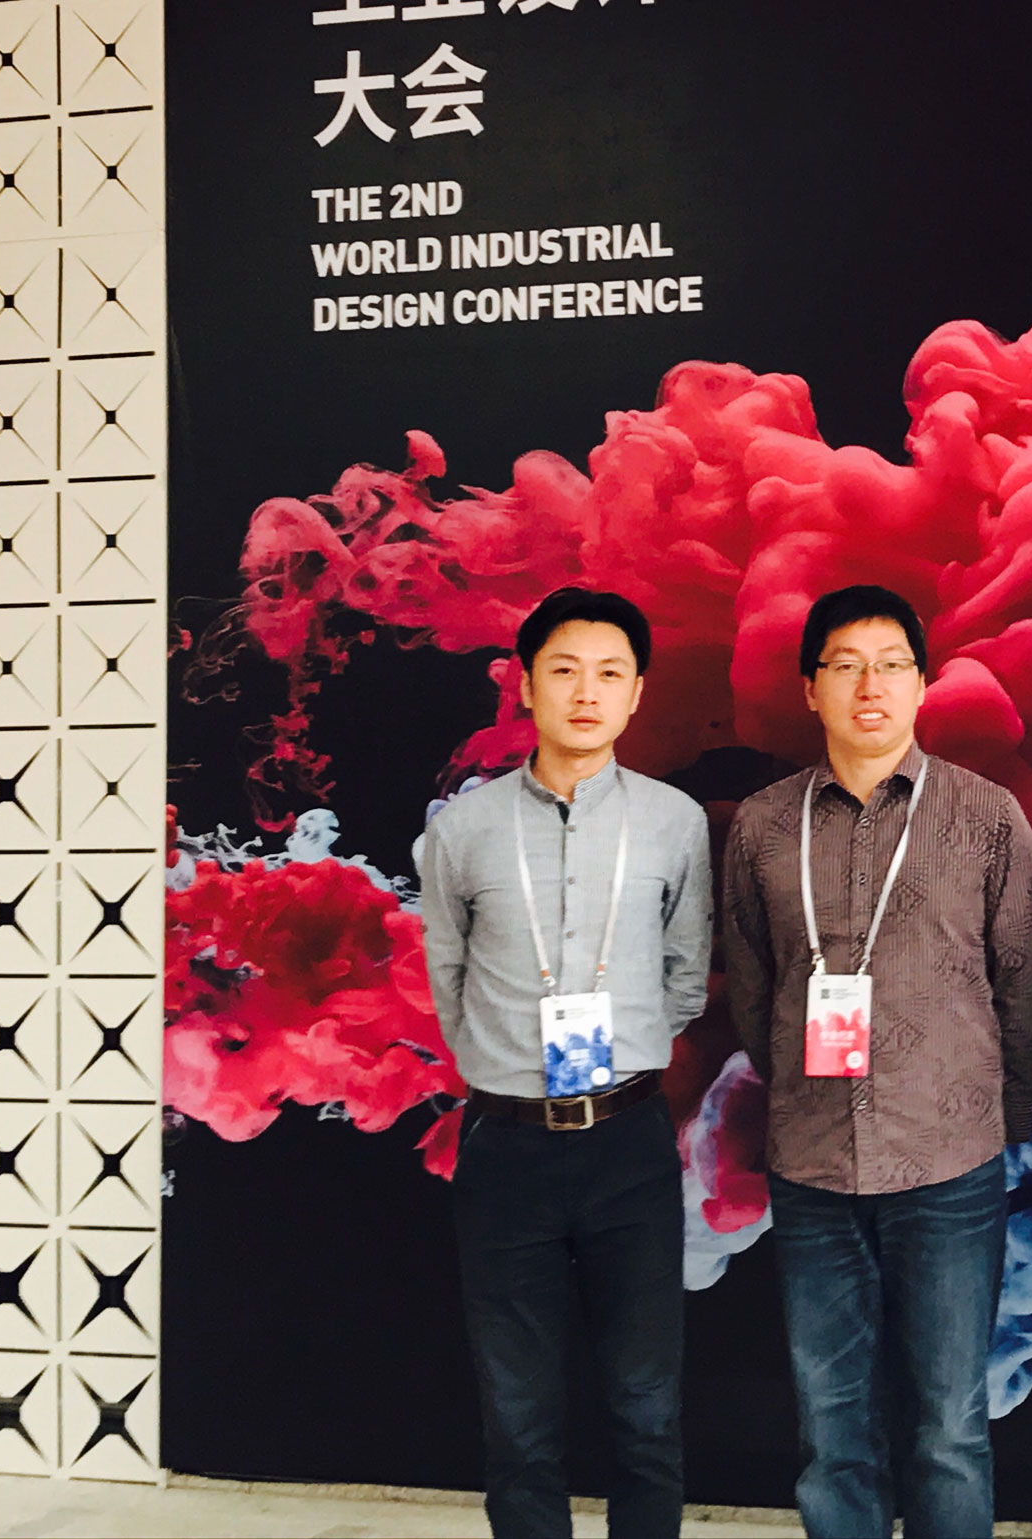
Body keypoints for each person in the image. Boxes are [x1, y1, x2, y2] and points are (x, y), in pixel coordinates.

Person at [720, 584, 1032, 1539]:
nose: (871, 686)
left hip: (950, 1169)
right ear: (811, 686)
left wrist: (995, 1124)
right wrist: (799, 1096)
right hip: (814, 1170)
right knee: (833, 1431)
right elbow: (753, 985)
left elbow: (1025, 987)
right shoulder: (763, 826)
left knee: (949, 1428)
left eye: (892, 665)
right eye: (847, 666)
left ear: (922, 682)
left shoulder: (985, 817)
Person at [419, 587, 714, 1539]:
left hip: (628, 1140)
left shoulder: (673, 821)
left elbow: (685, 973)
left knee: (647, 1404)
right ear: (526, 684)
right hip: (506, 1146)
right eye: (565, 670)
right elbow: (448, 974)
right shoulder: (462, 829)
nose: (587, 692)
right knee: (518, 1414)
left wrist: (629, 1051)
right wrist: (499, 1062)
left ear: (636, 693)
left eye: (609, 673)